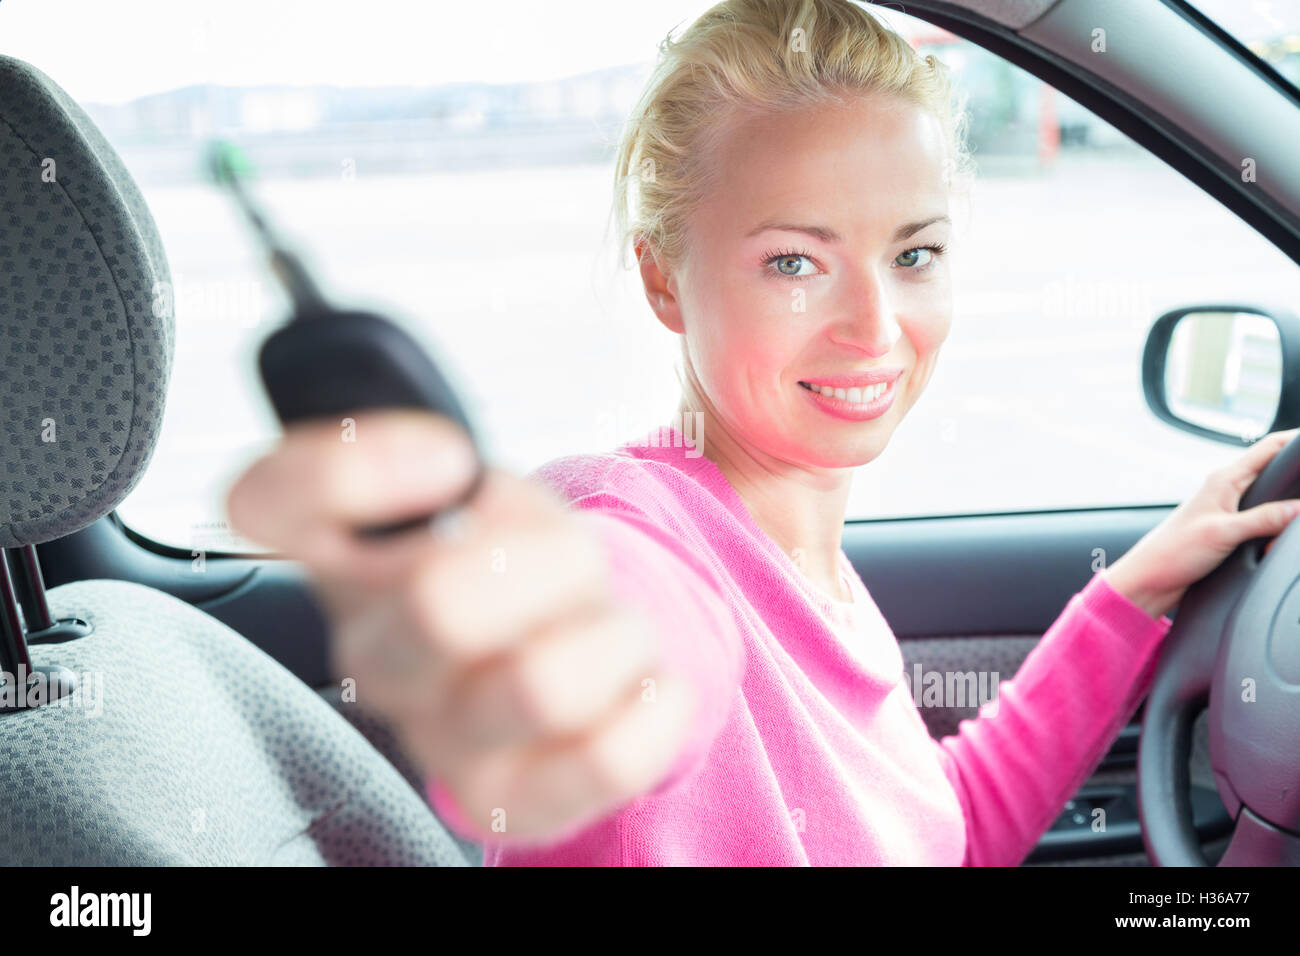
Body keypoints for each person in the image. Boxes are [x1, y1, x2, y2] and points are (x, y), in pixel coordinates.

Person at [225, 0, 1300, 865]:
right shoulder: (632, 528)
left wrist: (1135, 586)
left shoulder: (803, 551)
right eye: (795, 260)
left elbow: (940, 830)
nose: (875, 325)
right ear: (662, 279)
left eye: (913, 253)